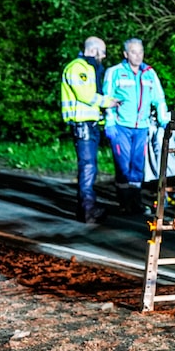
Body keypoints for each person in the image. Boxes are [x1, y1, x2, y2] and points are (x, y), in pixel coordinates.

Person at [102, 38, 170, 215]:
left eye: (140, 52)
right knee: (123, 166)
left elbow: (159, 98)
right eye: (133, 52)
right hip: (120, 127)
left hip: (142, 127)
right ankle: (124, 203)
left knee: (137, 166)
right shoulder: (114, 72)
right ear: (125, 54)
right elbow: (106, 98)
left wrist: (164, 120)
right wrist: (109, 124)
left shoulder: (149, 73)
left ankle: (136, 201)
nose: (138, 56)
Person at [60, 36, 117, 223]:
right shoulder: (78, 68)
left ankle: (88, 207)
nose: (104, 55)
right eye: (102, 51)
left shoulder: (88, 68)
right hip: (82, 123)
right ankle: (87, 209)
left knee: (90, 166)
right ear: (93, 50)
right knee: (88, 166)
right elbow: (85, 95)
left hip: (89, 123)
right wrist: (108, 102)